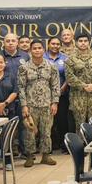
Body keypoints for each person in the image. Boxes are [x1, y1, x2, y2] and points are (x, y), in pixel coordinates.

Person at [18, 39, 61, 167]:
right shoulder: (24, 68)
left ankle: (46, 155)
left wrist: (55, 102)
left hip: (47, 104)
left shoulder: (51, 67)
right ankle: (30, 156)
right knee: (30, 132)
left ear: (43, 50)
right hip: (30, 105)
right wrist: (24, 105)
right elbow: (21, 87)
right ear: (30, 51)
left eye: (39, 48)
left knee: (46, 131)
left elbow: (55, 85)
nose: (37, 50)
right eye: (34, 48)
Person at [66, 32, 92, 132]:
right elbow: (69, 76)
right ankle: (80, 146)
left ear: (89, 42)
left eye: (85, 41)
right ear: (76, 43)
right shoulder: (70, 58)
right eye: (80, 41)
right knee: (80, 125)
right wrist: (83, 86)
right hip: (78, 96)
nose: (83, 43)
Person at [44, 36, 70, 152]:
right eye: (53, 44)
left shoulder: (65, 58)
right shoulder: (42, 57)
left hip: (62, 94)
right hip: (45, 95)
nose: (55, 46)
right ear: (48, 44)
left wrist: (61, 89)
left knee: (62, 120)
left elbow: (68, 76)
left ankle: (64, 145)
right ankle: (47, 147)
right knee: (47, 122)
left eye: (57, 44)